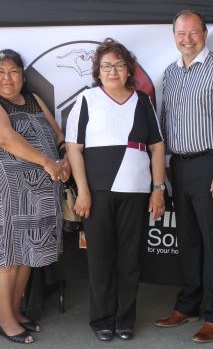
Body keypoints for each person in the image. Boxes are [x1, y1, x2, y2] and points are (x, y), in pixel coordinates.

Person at [0, 49, 69, 345]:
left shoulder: (34, 101)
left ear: (23, 76)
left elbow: (58, 135)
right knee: (7, 258)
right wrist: (48, 163)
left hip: (38, 196)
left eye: (13, 71)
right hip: (4, 195)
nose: (7, 78)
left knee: (26, 257)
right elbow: (5, 138)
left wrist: (64, 158)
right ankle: (6, 321)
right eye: (0, 71)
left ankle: (16, 313)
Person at [65, 38, 166, 342]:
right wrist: (83, 191)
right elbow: (74, 148)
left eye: (119, 65)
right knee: (100, 258)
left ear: (128, 70)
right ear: (98, 71)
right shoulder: (86, 101)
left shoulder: (143, 101)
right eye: (106, 65)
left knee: (130, 259)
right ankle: (102, 319)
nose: (113, 71)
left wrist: (158, 188)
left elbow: (157, 147)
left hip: (136, 192)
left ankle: (125, 319)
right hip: (98, 192)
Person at [155, 10, 213, 343]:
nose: (187, 39)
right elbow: (166, 122)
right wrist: (164, 167)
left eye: (193, 33)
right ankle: (188, 304)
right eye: (181, 33)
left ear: (205, 34)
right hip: (179, 167)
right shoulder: (171, 73)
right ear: (174, 36)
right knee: (189, 242)